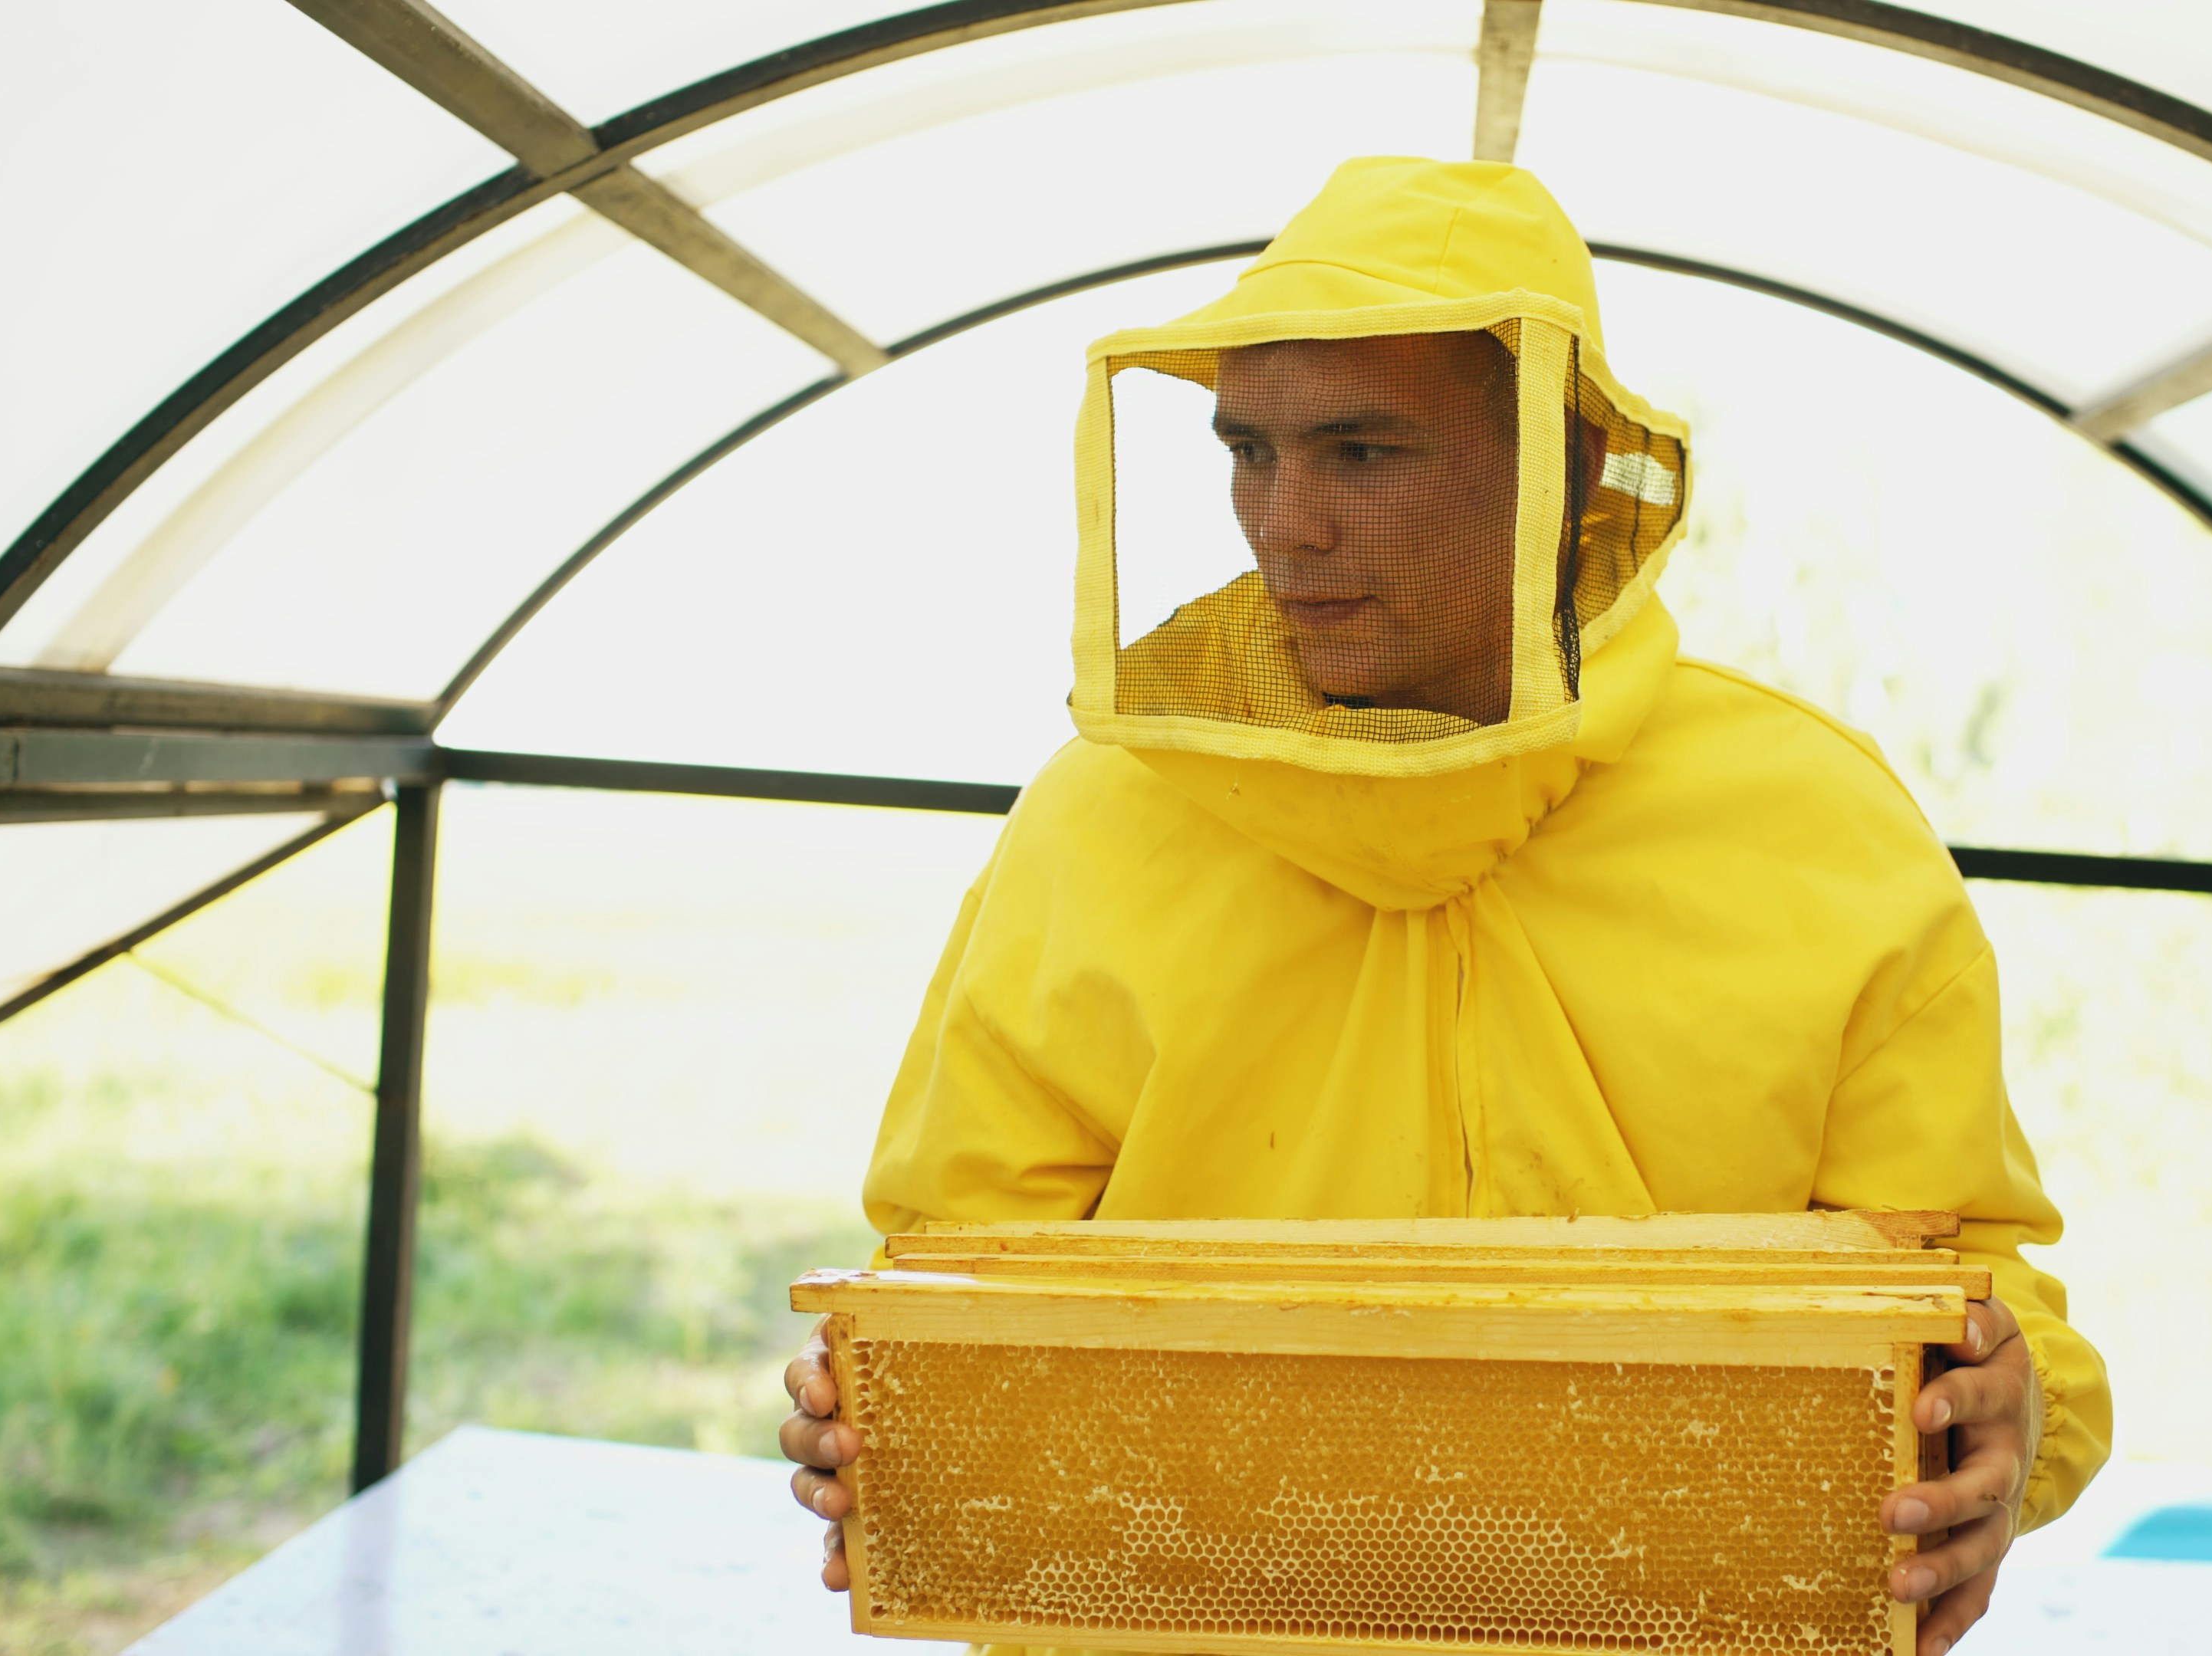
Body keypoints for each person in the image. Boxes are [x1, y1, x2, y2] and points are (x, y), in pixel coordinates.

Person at [778, 156, 2108, 1656]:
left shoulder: (1818, 822)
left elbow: (1968, 1283)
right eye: (1248, 452)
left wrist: (2015, 1414)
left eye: (1362, 452)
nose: (1286, 526)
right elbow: (955, 1265)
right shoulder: (1103, 817)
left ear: (1569, 462)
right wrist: (877, 1406)